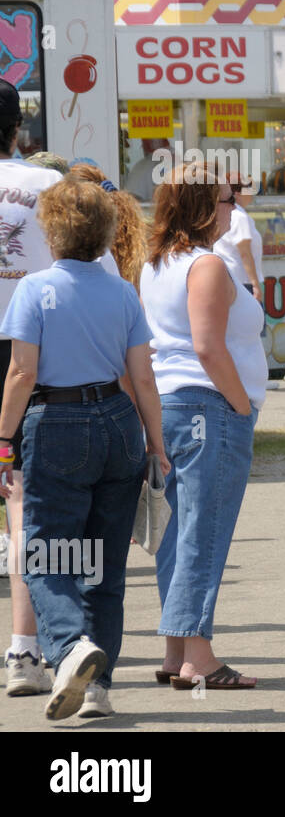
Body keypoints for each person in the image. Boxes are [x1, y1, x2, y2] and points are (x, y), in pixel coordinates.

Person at [0, 169, 169, 720]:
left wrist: (3, 439)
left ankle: (70, 647)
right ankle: (98, 685)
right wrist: (155, 444)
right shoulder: (121, 291)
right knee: (104, 561)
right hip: (119, 423)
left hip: (57, 422)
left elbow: (21, 374)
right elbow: (142, 377)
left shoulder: (35, 288)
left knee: (47, 554)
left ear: (51, 233)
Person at [141, 160, 268, 691]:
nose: (231, 208)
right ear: (199, 206)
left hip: (172, 403)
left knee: (177, 530)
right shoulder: (206, 265)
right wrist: (241, 406)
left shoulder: (155, 264)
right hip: (207, 404)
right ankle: (198, 656)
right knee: (203, 530)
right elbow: (208, 346)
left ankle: (178, 650)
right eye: (222, 200)